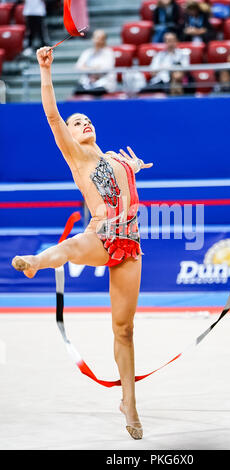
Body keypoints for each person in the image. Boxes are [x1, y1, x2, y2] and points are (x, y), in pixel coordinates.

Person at [11, 46, 154, 440]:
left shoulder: (114, 157)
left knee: (124, 329)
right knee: (73, 247)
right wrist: (45, 70)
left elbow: (128, 178)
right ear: (70, 135)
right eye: (77, 122)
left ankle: (130, 401)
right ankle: (37, 261)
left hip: (130, 244)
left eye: (87, 119)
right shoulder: (78, 158)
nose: (83, 122)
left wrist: (136, 166)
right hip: (101, 236)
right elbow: (53, 115)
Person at [74, 30, 117, 97]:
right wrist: (94, 68)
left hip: (104, 84)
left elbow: (105, 69)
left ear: (104, 40)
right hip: (86, 83)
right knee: (77, 91)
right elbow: (78, 67)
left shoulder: (109, 53)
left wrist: (87, 68)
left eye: (100, 38)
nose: (97, 41)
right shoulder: (87, 52)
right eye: (95, 38)